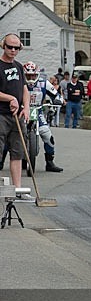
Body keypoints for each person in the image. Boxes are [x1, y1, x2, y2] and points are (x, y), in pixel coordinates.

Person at [0, 34, 31, 194]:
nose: (13, 50)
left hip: (17, 116)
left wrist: (26, 108)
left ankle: (17, 189)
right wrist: (10, 98)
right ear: (3, 46)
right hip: (1, 115)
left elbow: (24, 89)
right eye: (9, 47)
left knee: (17, 152)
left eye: (16, 48)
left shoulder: (19, 66)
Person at [22, 61, 63, 172]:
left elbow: (56, 95)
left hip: (38, 111)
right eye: (28, 76)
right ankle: (2, 160)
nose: (31, 78)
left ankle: (49, 162)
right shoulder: (19, 82)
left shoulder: (44, 83)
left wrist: (59, 100)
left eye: (33, 75)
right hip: (21, 111)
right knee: (10, 135)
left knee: (47, 136)